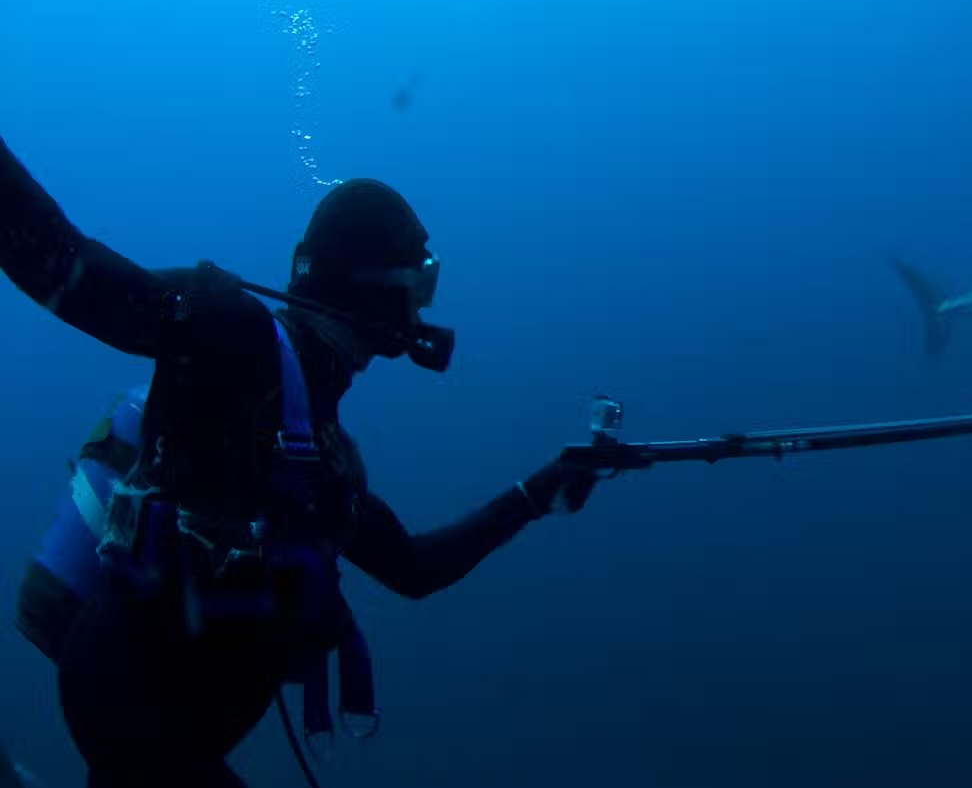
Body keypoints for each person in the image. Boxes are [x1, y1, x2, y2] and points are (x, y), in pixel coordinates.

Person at [0, 134, 600, 787]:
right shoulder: (236, 340)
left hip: (162, 728)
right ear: (376, 288)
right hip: (128, 709)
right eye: (421, 282)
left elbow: (416, 568)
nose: (422, 306)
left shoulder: (316, 450)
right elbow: (68, 269)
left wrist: (542, 489)